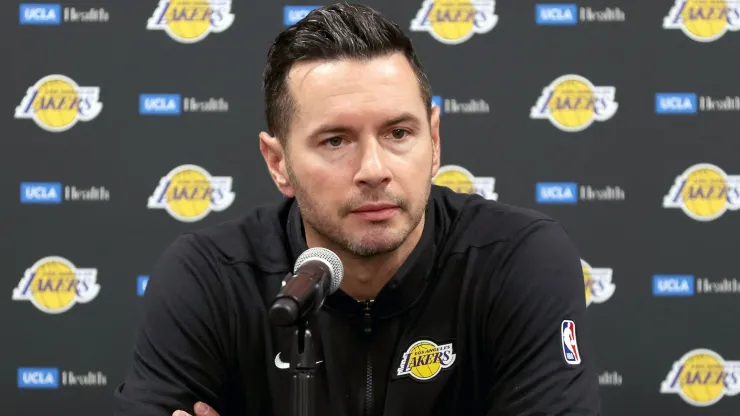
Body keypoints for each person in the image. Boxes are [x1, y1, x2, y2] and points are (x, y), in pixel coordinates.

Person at [113, 3, 602, 416]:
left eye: (398, 133)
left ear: (434, 141)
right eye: (335, 140)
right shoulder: (211, 277)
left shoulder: (516, 259)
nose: (373, 168)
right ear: (278, 162)